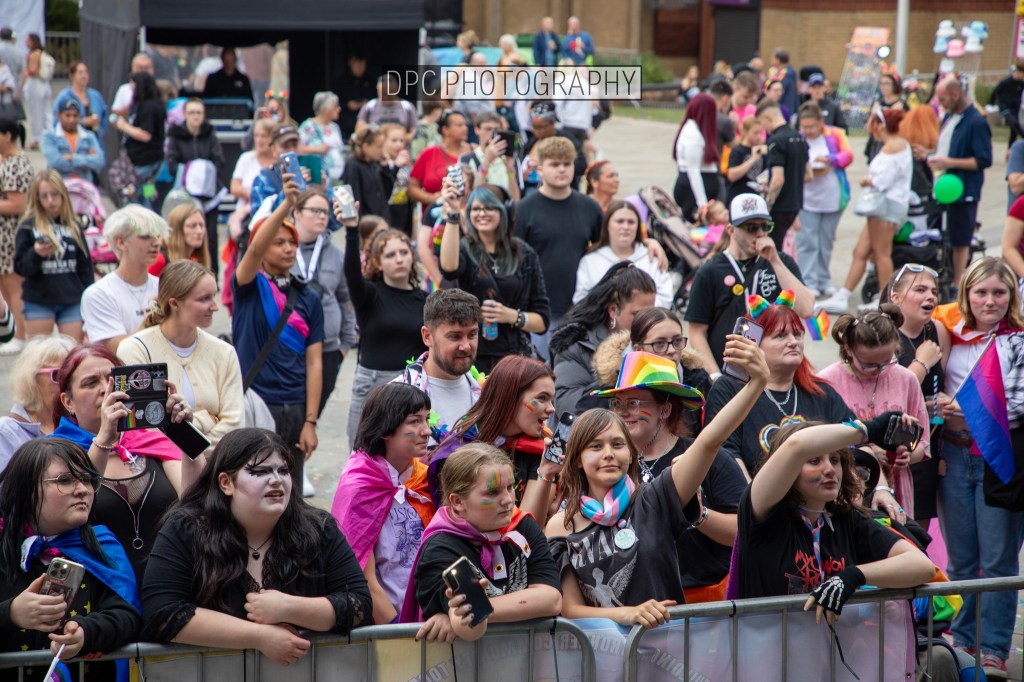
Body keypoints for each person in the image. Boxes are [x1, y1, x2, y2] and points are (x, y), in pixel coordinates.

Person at [549, 340, 764, 622]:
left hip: (668, 648)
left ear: (630, 454)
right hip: (601, 658)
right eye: (595, 447)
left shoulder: (652, 500)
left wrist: (757, 384)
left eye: (617, 444)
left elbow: (711, 441)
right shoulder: (559, 524)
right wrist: (629, 614)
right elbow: (570, 608)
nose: (608, 454)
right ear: (576, 458)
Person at [141, 429, 372, 663]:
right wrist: (260, 637)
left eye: (283, 471)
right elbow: (161, 613)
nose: (276, 480)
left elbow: (359, 604)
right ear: (226, 483)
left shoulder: (319, 529)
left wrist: (289, 608)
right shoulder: (186, 529)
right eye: (260, 471)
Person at [733, 416, 936, 615]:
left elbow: (922, 566)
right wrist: (867, 429)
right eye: (814, 461)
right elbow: (796, 445)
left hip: (824, 647)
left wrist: (855, 575)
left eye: (835, 460)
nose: (829, 469)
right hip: (767, 646)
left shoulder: (846, 519)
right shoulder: (764, 513)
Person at [934, 257, 1024, 677]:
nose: (990, 301)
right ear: (967, 295)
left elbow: (1019, 407)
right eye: (981, 292)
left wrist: (969, 412)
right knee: (961, 563)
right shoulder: (953, 334)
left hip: (998, 460)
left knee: (1000, 563)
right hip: (953, 457)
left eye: (999, 293)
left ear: (1012, 297)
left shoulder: (1018, 341)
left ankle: (993, 649)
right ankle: (962, 645)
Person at [594, 350, 740, 603]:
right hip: (638, 604)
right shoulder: (607, 465)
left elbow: (744, 531)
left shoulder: (708, 458)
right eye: (617, 404)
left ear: (664, 410)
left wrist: (699, 514)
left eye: (634, 403)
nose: (623, 412)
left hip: (707, 604)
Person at [50, 343, 196, 584]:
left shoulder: (151, 438)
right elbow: (76, 505)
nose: (104, 390)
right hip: (101, 588)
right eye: (90, 383)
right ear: (68, 402)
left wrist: (181, 429)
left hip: (167, 581)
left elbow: (193, 499)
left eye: (112, 380)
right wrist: (105, 438)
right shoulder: (53, 452)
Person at [0, 439, 142, 678]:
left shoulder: (102, 546)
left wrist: (85, 633)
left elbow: (127, 616)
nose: (82, 489)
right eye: (65, 480)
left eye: (87, 479)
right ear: (26, 490)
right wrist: (11, 613)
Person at [404, 442, 562, 639]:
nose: (508, 500)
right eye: (492, 492)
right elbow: (469, 628)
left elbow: (551, 599)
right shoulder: (440, 548)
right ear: (458, 502)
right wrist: (465, 617)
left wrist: (483, 608)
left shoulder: (522, 525)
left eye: (510, 487)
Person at [232, 177, 323, 488]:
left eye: (292, 242)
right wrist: (287, 203)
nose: (287, 248)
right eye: (278, 242)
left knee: (289, 489)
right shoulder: (249, 287)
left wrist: (311, 421)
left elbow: (315, 362)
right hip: (257, 400)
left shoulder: (308, 296)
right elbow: (254, 246)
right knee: (253, 485)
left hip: (295, 407)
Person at [332, 383, 436, 625]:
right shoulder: (360, 486)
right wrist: (397, 630)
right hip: (387, 624)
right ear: (385, 429)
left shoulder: (425, 479)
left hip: (432, 618)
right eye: (414, 421)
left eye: (427, 419)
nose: (427, 431)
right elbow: (361, 576)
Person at [118, 260, 244, 453]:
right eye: (204, 299)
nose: (215, 307)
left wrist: (191, 427)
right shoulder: (135, 349)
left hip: (214, 470)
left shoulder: (224, 352)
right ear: (175, 303)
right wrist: (208, 419)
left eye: (214, 296)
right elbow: (138, 426)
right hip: (158, 471)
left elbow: (235, 427)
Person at [817, 306, 930, 518]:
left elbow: (923, 445)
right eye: (869, 364)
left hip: (897, 490)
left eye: (887, 361)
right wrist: (864, 451)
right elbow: (820, 440)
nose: (879, 370)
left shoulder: (906, 379)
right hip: (848, 489)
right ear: (849, 349)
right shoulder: (827, 381)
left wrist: (907, 455)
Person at [684, 193, 813, 377]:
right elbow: (697, 333)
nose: (760, 233)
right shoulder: (710, 271)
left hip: (775, 375)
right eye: (751, 228)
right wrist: (714, 376)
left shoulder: (781, 262)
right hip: (729, 375)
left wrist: (774, 260)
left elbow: (807, 309)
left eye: (765, 227)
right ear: (731, 231)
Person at [427, 355, 563, 521]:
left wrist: (546, 473)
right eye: (541, 398)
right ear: (510, 397)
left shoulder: (538, 449)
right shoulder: (458, 450)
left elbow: (530, 528)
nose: (551, 409)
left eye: (551, 399)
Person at [343, 195, 427, 449]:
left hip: (411, 384)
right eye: (390, 255)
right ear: (377, 262)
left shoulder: (424, 300)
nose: (399, 259)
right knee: (363, 451)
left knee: (408, 454)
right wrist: (351, 230)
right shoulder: (368, 294)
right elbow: (351, 273)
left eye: (403, 252)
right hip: (372, 384)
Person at [439, 182, 550, 372]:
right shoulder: (465, 249)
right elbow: (448, 268)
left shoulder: (524, 253)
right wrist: (453, 213)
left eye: (489, 207)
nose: (482, 213)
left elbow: (542, 321)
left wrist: (511, 316)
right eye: (476, 209)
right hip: (472, 356)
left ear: (504, 211)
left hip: (514, 356)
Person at [515, 136, 605, 360]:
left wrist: (651, 243)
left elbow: (606, 248)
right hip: (539, 309)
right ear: (541, 167)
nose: (562, 170)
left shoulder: (590, 208)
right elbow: (514, 259)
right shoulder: (524, 210)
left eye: (567, 164)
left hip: (580, 306)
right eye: (555, 164)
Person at [821, 108, 912, 314]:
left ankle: (886, 298)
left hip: (885, 207)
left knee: (881, 254)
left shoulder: (893, 147)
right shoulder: (898, 145)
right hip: (885, 207)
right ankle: (843, 295)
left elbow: (882, 181)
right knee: (860, 251)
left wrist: (866, 180)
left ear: (881, 125)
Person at [881, 264, 949, 524]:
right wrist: (921, 364)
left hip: (926, 449)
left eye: (934, 291)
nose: (930, 296)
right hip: (891, 452)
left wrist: (941, 402)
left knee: (920, 537)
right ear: (895, 297)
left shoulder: (937, 331)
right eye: (920, 289)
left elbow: (943, 388)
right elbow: (890, 398)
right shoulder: (882, 335)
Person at [552, 262, 657, 416]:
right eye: (638, 314)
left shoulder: (657, 344)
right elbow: (568, 407)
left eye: (651, 313)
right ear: (614, 310)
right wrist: (617, 376)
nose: (647, 321)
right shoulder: (577, 346)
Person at [288, 188, 356, 418]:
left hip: (328, 350)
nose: (322, 217)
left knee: (311, 418)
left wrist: (345, 345)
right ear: (296, 213)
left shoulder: (335, 254)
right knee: (294, 415)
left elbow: (345, 298)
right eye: (315, 211)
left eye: (325, 212)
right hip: (291, 350)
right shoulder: (283, 248)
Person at [392, 288, 483, 441]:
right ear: (427, 337)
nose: (466, 346)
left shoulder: (489, 393)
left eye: (472, 334)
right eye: (455, 336)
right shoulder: (395, 398)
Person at [929, 76, 993, 290]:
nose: (940, 102)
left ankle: (959, 283)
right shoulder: (949, 117)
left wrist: (949, 162)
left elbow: (983, 159)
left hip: (964, 189)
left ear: (956, 94)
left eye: (942, 98)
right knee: (944, 234)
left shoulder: (976, 121)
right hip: (944, 186)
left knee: (961, 237)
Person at [15, 170, 93, 342]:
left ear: (63, 195)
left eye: (54, 194)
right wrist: (36, 253)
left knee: (73, 355)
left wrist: (89, 298)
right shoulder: (28, 225)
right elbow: (20, 267)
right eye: (44, 196)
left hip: (71, 298)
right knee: (40, 358)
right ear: (37, 199)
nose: (50, 201)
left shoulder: (74, 225)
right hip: (39, 299)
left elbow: (85, 267)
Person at [81, 205, 166, 353]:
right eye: (146, 236)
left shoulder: (164, 287)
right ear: (121, 242)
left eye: (157, 235)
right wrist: (148, 323)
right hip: (120, 375)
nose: (156, 242)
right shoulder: (98, 293)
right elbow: (116, 351)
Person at [795, 101, 853, 299]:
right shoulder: (797, 138)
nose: (808, 131)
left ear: (821, 122)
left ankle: (824, 279)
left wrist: (830, 159)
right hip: (807, 197)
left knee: (826, 240)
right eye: (805, 127)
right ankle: (808, 281)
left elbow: (848, 155)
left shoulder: (835, 135)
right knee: (807, 240)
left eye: (812, 126)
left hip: (831, 195)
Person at [574, 200, 673, 308]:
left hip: (646, 322)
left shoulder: (653, 258)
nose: (625, 227)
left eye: (631, 222)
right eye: (620, 221)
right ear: (607, 225)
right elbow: (580, 299)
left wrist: (639, 312)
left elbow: (666, 297)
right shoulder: (590, 260)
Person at [165, 98, 225, 277]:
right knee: (184, 234)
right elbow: (171, 163)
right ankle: (183, 272)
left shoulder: (210, 134)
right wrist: (191, 171)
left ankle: (211, 273)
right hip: (186, 196)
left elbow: (219, 160)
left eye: (199, 112)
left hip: (209, 196)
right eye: (192, 112)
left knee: (210, 235)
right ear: (185, 115)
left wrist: (203, 172)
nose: (195, 116)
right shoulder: (176, 135)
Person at [0, 336, 74, 466]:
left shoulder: (82, 421)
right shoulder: (6, 431)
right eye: (58, 375)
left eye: (72, 375)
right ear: (31, 378)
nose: (68, 382)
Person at [757, 98, 808, 252]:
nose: (764, 129)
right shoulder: (799, 138)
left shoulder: (776, 141)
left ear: (767, 118)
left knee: (770, 251)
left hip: (780, 207)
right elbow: (808, 174)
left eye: (762, 124)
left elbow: (778, 179)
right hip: (795, 204)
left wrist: (766, 207)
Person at [0, 118, 32, 354]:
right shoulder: (7, 161)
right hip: (4, 233)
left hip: (11, 234)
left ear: (7, 135)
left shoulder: (16, 163)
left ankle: (19, 335)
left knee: (13, 286)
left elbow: (17, 204)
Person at [112, 72, 166, 205]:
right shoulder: (142, 105)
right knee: (147, 195)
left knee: (135, 199)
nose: (130, 87)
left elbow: (146, 135)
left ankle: (144, 222)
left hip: (144, 162)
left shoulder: (149, 107)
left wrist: (124, 126)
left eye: (133, 83)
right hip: (142, 161)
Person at [409, 109, 472, 221]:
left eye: (465, 125)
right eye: (459, 125)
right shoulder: (429, 154)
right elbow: (412, 186)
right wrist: (431, 198)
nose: (465, 128)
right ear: (445, 130)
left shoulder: (474, 153)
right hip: (434, 217)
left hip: (468, 217)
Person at [672, 94, 721, 222]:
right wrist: (702, 205)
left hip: (698, 187)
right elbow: (693, 171)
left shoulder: (693, 129)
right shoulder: (693, 136)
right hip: (693, 192)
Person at [42, 99, 105, 185]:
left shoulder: (88, 136)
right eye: (68, 115)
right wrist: (86, 160)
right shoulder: (50, 136)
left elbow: (99, 161)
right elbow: (54, 162)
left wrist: (72, 158)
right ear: (59, 115)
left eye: (75, 116)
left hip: (84, 188)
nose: (71, 120)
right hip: (59, 186)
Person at [459, 112, 520, 200]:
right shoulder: (467, 159)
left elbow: (515, 200)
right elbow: (474, 198)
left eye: (496, 129)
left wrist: (509, 169)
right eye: (488, 129)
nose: (492, 134)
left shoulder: (509, 159)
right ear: (477, 130)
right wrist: (486, 162)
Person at [343, 125, 391, 222]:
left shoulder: (374, 164)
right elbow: (351, 200)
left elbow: (387, 193)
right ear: (365, 147)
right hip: (365, 224)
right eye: (379, 147)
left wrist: (385, 168)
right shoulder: (353, 165)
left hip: (380, 220)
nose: (382, 151)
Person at [299, 91, 346, 184]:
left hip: (338, 179)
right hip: (320, 181)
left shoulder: (335, 127)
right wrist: (317, 149)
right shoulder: (308, 126)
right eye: (335, 106)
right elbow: (297, 148)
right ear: (325, 109)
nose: (339, 109)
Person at [52, 61, 108, 136]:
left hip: (94, 140)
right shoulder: (64, 97)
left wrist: (100, 130)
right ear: (72, 75)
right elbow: (57, 120)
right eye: (80, 73)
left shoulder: (95, 96)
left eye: (86, 72)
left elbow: (105, 114)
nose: (84, 76)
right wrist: (82, 122)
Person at [157, 202, 212, 276]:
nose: (200, 231)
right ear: (177, 229)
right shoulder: (160, 260)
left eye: (201, 225)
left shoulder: (197, 259)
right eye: (192, 226)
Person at [380, 122, 414, 236]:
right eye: (394, 140)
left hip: (403, 213)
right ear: (382, 142)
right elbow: (384, 187)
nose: (399, 145)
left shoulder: (405, 164)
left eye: (402, 140)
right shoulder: (380, 164)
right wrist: (395, 167)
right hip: (387, 215)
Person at [21, 34, 53, 151]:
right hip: (44, 85)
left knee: (36, 114)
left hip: (35, 85)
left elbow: (33, 70)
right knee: (45, 112)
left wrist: (26, 73)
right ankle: (48, 135)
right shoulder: (41, 53)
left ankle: (37, 139)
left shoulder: (34, 54)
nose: (26, 43)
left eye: (28, 40)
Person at [725, 117, 767, 206]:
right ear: (745, 132)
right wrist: (753, 159)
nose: (758, 136)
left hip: (756, 197)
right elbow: (731, 175)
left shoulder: (762, 150)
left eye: (760, 133)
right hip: (738, 197)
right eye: (755, 133)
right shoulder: (738, 151)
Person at [334, 54, 375, 139]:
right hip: (345, 124)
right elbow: (334, 101)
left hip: (366, 124)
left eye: (362, 65)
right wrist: (347, 104)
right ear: (351, 64)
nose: (360, 68)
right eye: (357, 65)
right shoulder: (341, 82)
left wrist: (367, 103)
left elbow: (376, 100)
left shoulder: (370, 81)